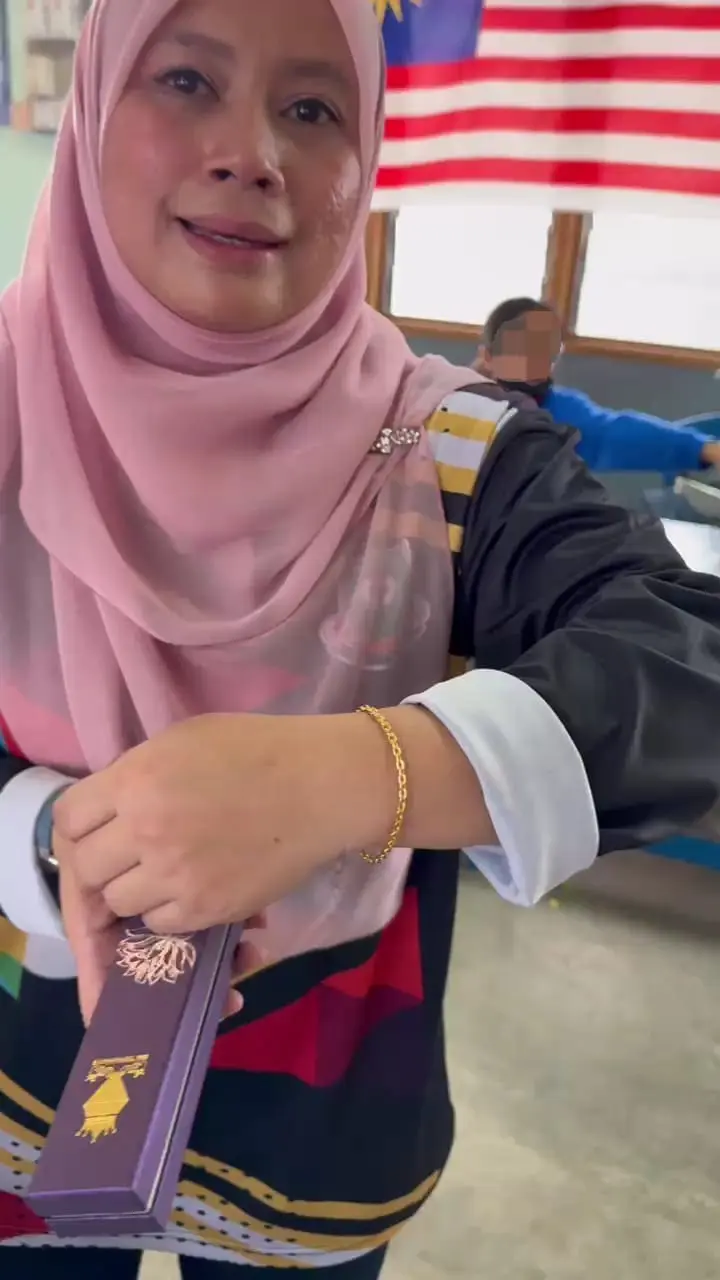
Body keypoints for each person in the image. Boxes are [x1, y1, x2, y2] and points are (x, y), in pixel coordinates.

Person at [2, 0, 720, 1276]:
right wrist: (63, 830)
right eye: (184, 80)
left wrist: (362, 773)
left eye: (312, 108)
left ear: (366, 164)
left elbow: (685, 664)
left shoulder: (457, 454)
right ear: (91, 112)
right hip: (24, 1060)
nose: (252, 152)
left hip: (315, 1115)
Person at [476, 296, 720, 475]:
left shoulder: (559, 411)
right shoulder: (454, 403)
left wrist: (703, 448)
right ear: (488, 356)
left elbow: (615, 433)